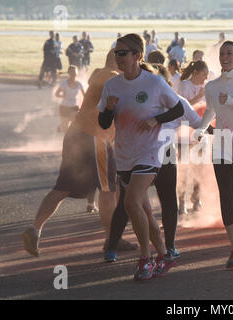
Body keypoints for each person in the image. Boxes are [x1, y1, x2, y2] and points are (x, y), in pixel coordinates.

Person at [21, 50, 127, 258]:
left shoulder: (100, 75)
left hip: (77, 134)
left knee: (63, 187)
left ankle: (35, 228)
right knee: (108, 190)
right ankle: (111, 239)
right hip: (96, 138)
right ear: (122, 60)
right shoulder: (113, 77)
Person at [104, 63, 214, 262]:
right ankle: (112, 246)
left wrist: (221, 129)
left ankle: (169, 246)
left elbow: (199, 124)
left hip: (165, 156)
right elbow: (111, 121)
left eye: (159, 83)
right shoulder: (136, 101)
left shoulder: (177, 102)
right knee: (127, 203)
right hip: (137, 155)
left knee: (168, 201)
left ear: (165, 84)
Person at [98, 33, 184, 281]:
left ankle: (145, 259)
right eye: (116, 52)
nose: (118, 57)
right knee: (143, 210)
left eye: (122, 53)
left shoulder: (155, 84)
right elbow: (103, 123)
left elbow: (177, 107)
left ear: (137, 56)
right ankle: (166, 254)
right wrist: (110, 109)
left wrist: (156, 119)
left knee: (130, 202)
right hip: (124, 153)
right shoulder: (111, 86)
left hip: (150, 151)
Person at [196, 40, 233, 269]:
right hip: (221, 145)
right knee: (226, 195)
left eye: (230, 53)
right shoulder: (211, 86)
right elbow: (211, 109)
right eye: (222, 53)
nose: (225, 56)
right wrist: (201, 129)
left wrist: (230, 101)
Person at [177, 60, 209, 213]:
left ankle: (197, 199)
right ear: (195, 73)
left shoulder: (206, 87)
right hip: (185, 131)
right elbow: (182, 107)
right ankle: (181, 201)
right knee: (184, 167)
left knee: (200, 166)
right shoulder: (184, 85)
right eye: (203, 74)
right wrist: (198, 97)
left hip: (200, 132)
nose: (205, 78)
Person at [54, 65, 85, 133]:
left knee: (76, 126)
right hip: (64, 107)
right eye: (72, 72)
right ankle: (62, 126)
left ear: (76, 73)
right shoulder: (64, 83)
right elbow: (56, 94)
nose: (73, 74)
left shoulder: (79, 84)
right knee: (65, 129)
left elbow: (84, 96)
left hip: (74, 107)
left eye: (75, 72)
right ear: (69, 73)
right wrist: (62, 96)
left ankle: (72, 139)